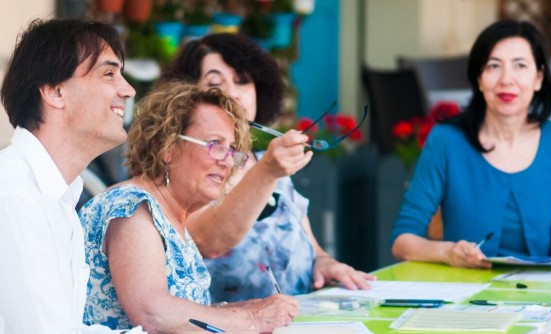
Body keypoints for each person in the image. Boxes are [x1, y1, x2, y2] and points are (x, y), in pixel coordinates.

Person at [159, 33, 374, 302]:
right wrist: (268, 172)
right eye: (215, 83)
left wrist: (325, 263)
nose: (233, 93)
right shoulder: (189, 164)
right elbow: (206, 242)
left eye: (243, 81)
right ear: (187, 97)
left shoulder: (265, 159)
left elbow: (313, 248)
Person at [79, 82, 298, 332]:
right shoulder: (130, 206)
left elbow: (183, 311)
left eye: (233, 151)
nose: (227, 162)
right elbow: (153, 312)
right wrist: (254, 319)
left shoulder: (171, 218)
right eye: (216, 145)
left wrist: (249, 309)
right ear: (168, 148)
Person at [391, 20, 551, 268]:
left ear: (538, 78)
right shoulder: (446, 140)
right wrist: (448, 252)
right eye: (494, 66)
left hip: (543, 299)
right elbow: (402, 241)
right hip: (465, 295)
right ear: (479, 78)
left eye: (520, 66)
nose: (507, 79)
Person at [0, 19, 144, 333]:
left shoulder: (56, 197)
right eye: (108, 73)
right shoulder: (14, 197)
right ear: (54, 92)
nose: (128, 90)